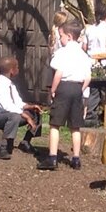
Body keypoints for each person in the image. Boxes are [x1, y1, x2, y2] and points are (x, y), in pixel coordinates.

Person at [40, 18, 91, 170]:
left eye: (61, 36)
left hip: (63, 87)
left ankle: (53, 157)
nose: (60, 39)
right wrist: (79, 90)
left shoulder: (62, 53)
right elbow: (88, 77)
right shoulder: (83, 55)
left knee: (55, 124)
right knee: (75, 126)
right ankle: (76, 159)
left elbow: (58, 73)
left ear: (69, 36)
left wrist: (53, 90)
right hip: (77, 88)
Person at [0, 56, 41, 160]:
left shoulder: (11, 85)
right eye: (17, 67)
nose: (18, 70)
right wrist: (27, 117)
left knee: (35, 113)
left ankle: (26, 142)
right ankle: (3, 146)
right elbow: (7, 106)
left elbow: (18, 103)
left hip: (10, 115)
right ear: (12, 70)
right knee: (14, 116)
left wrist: (30, 107)